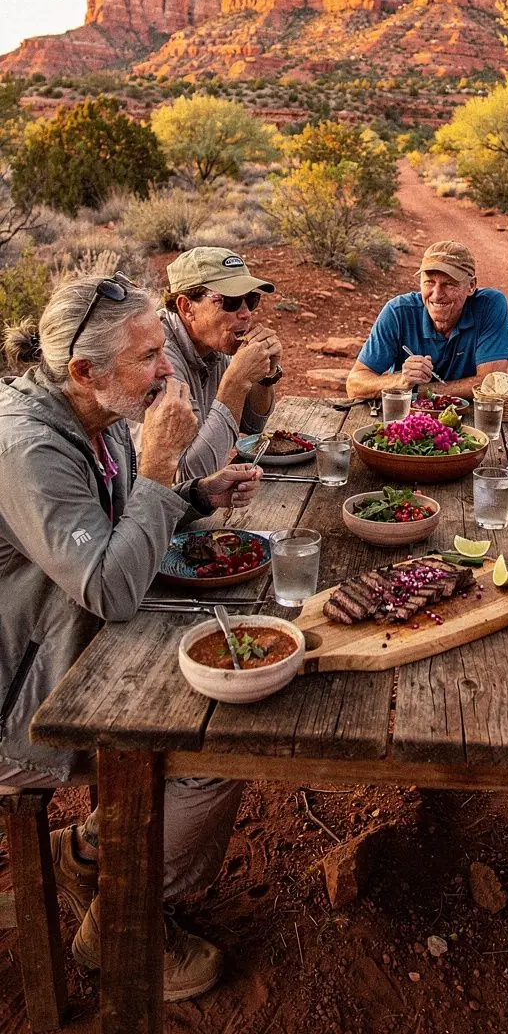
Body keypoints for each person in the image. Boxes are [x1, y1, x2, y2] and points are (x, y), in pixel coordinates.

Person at [0, 274, 262, 1001]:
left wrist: (190, 498)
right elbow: (111, 589)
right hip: (25, 702)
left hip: (75, 651)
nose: (167, 370)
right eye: (150, 357)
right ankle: (123, 917)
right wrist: (157, 465)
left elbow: (118, 529)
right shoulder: (26, 445)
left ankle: (89, 850)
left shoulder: (96, 408)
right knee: (214, 745)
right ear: (84, 370)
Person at [159, 246, 283, 480]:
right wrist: (236, 382)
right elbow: (189, 478)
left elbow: (252, 427)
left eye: (251, 299)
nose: (245, 313)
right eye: (231, 301)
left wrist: (265, 377)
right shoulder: (158, 359)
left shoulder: (212, 341)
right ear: (187, 307)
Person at [346, 240, 508, 399]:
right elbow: (355, 385)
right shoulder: (398, 312)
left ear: (471, 286)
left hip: (469, 418)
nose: (437, 295)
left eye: (449, 284)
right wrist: (401, 381)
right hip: (407, 419)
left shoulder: (489, 305)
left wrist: (419, 391)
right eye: (429, 282)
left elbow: (490, 384)